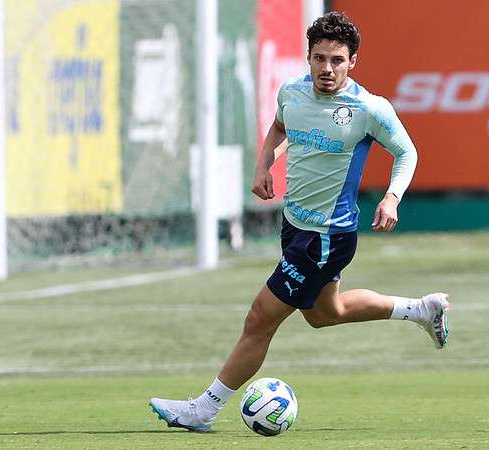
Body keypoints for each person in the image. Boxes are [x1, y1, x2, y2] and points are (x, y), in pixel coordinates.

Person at [149, 11, 449, 432]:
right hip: (295, 227)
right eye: (320, 58)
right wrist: (262, 165)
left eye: (338, 60)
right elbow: (278, 128)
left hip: (325, 237)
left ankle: (204, 408)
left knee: (260, 317)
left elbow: (407, 152)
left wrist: (392, 197)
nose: (327, 69)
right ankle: (420, 309)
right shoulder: (292, 92)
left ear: (353, 62)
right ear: (308, 58)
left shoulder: (368, 108)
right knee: (326, 312)